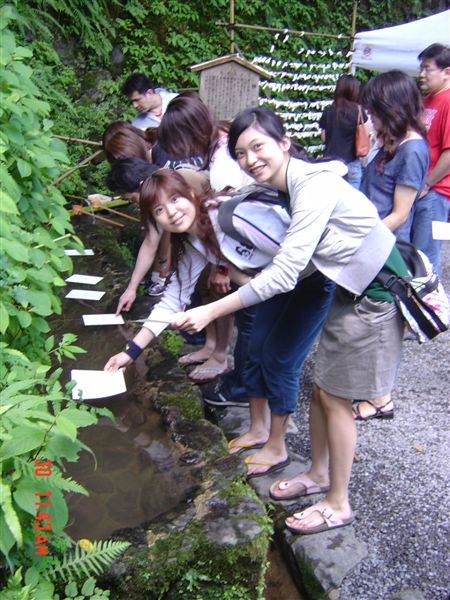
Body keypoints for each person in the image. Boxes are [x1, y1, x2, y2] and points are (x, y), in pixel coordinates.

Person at [163, 107, 407, 535]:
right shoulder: (285, 189)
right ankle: (317, 474)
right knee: (322, 393)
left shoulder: (312, 185)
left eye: (259, 146)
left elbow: (286, 271)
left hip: (374, 295)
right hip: (348, 291)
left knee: (337, 400)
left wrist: (211, 310)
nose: (251, 159)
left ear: (284, 143)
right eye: (241, 153)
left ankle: (338, 502)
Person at [104, 165, 334, 462]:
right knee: (254, 351)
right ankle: (258, 430)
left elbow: (289, 257)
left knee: (279, 361)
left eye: (175, 200)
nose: (171, 213)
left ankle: (277, 447)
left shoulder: (226, 215)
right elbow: (172, 299)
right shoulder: (191, 238)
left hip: (308, 280)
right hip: (270, 288)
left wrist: (212, 308)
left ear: (190, 193)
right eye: (159, 210)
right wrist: (130, 352)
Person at [154, 92, 252, 382]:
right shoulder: (219, 144)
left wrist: (222, 267)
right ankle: (215, 350)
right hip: (227, 251)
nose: (178, 152)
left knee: (243, 312)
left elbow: (233, 217)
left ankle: (230, 368)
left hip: (240, 254)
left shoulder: (223, 162)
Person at [355, 71, 429, 421]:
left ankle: (382, 398)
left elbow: (400, 213)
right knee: (370, 323)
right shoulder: (392, 142)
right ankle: (372, 389)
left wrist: (362, 238)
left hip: (389, 249)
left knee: (386, 325)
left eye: (374, 110)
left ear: (392, 107)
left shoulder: (413, 149)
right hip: (374, 243)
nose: (370, 116)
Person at [411, 43, 450, 274]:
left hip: (437, 193)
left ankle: (430, 308)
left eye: (428, 69)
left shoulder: (447, 101)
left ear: (447, 72)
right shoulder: (427, 101)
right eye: (421, 68)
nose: (421, 75)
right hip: (421, 189)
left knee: (425, 262)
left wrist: (428, 182)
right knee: (414, 255)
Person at [319, 74, 369, 189]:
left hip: (330, 162)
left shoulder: (328, 111)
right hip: (351, 161)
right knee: (353, 200)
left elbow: (323, 138)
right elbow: (365, 134)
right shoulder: (358, 110)